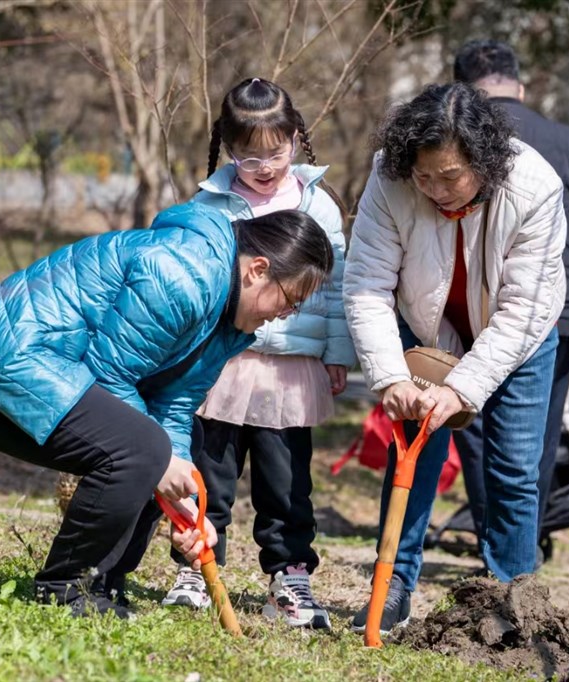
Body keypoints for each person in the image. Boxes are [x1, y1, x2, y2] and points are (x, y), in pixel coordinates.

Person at [0, 204, 334, 620]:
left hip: (51, 372)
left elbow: (176, 401)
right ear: (257, 269)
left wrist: (184, 500)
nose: (284, 316)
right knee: (145, 449)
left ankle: (102, 583)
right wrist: (161, 461)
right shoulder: (185, 276)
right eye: (290, 300)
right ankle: (63, 586)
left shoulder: (227, 320)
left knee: (170, 449)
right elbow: (108, 375)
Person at [343, 82, 567, 634]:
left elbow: (520, 312)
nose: (435, 188)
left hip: (521, 334)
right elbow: (367, 283)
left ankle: (512, 600)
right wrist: (390, 375)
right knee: (412, 457)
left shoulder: (535, 187)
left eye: (450, 176)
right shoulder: (388, 176)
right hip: (424, 326)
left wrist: (462, 390)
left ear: (483, 161)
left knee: (513, 468)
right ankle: (392, 586)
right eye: (424, 175)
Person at [158, 77, 354, 630]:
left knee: (287, 481)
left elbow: (337, 287)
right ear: (227, 147)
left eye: (276, 152)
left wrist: (336, 349)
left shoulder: (319, 205)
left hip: (293, 368)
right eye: (248, 156)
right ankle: (197, 567)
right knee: (209, 473)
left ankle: (289, 576)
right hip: (223, 362)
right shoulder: (213, 204)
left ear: (296, 137)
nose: (265, 166)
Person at [453, 40, 569, 554]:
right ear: (521, 87)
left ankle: (500, 546)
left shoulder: (450, 138)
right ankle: (520, 550)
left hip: (470, 310)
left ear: (459, 93)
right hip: (559, 312)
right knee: (534, 443)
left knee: (476, 431)